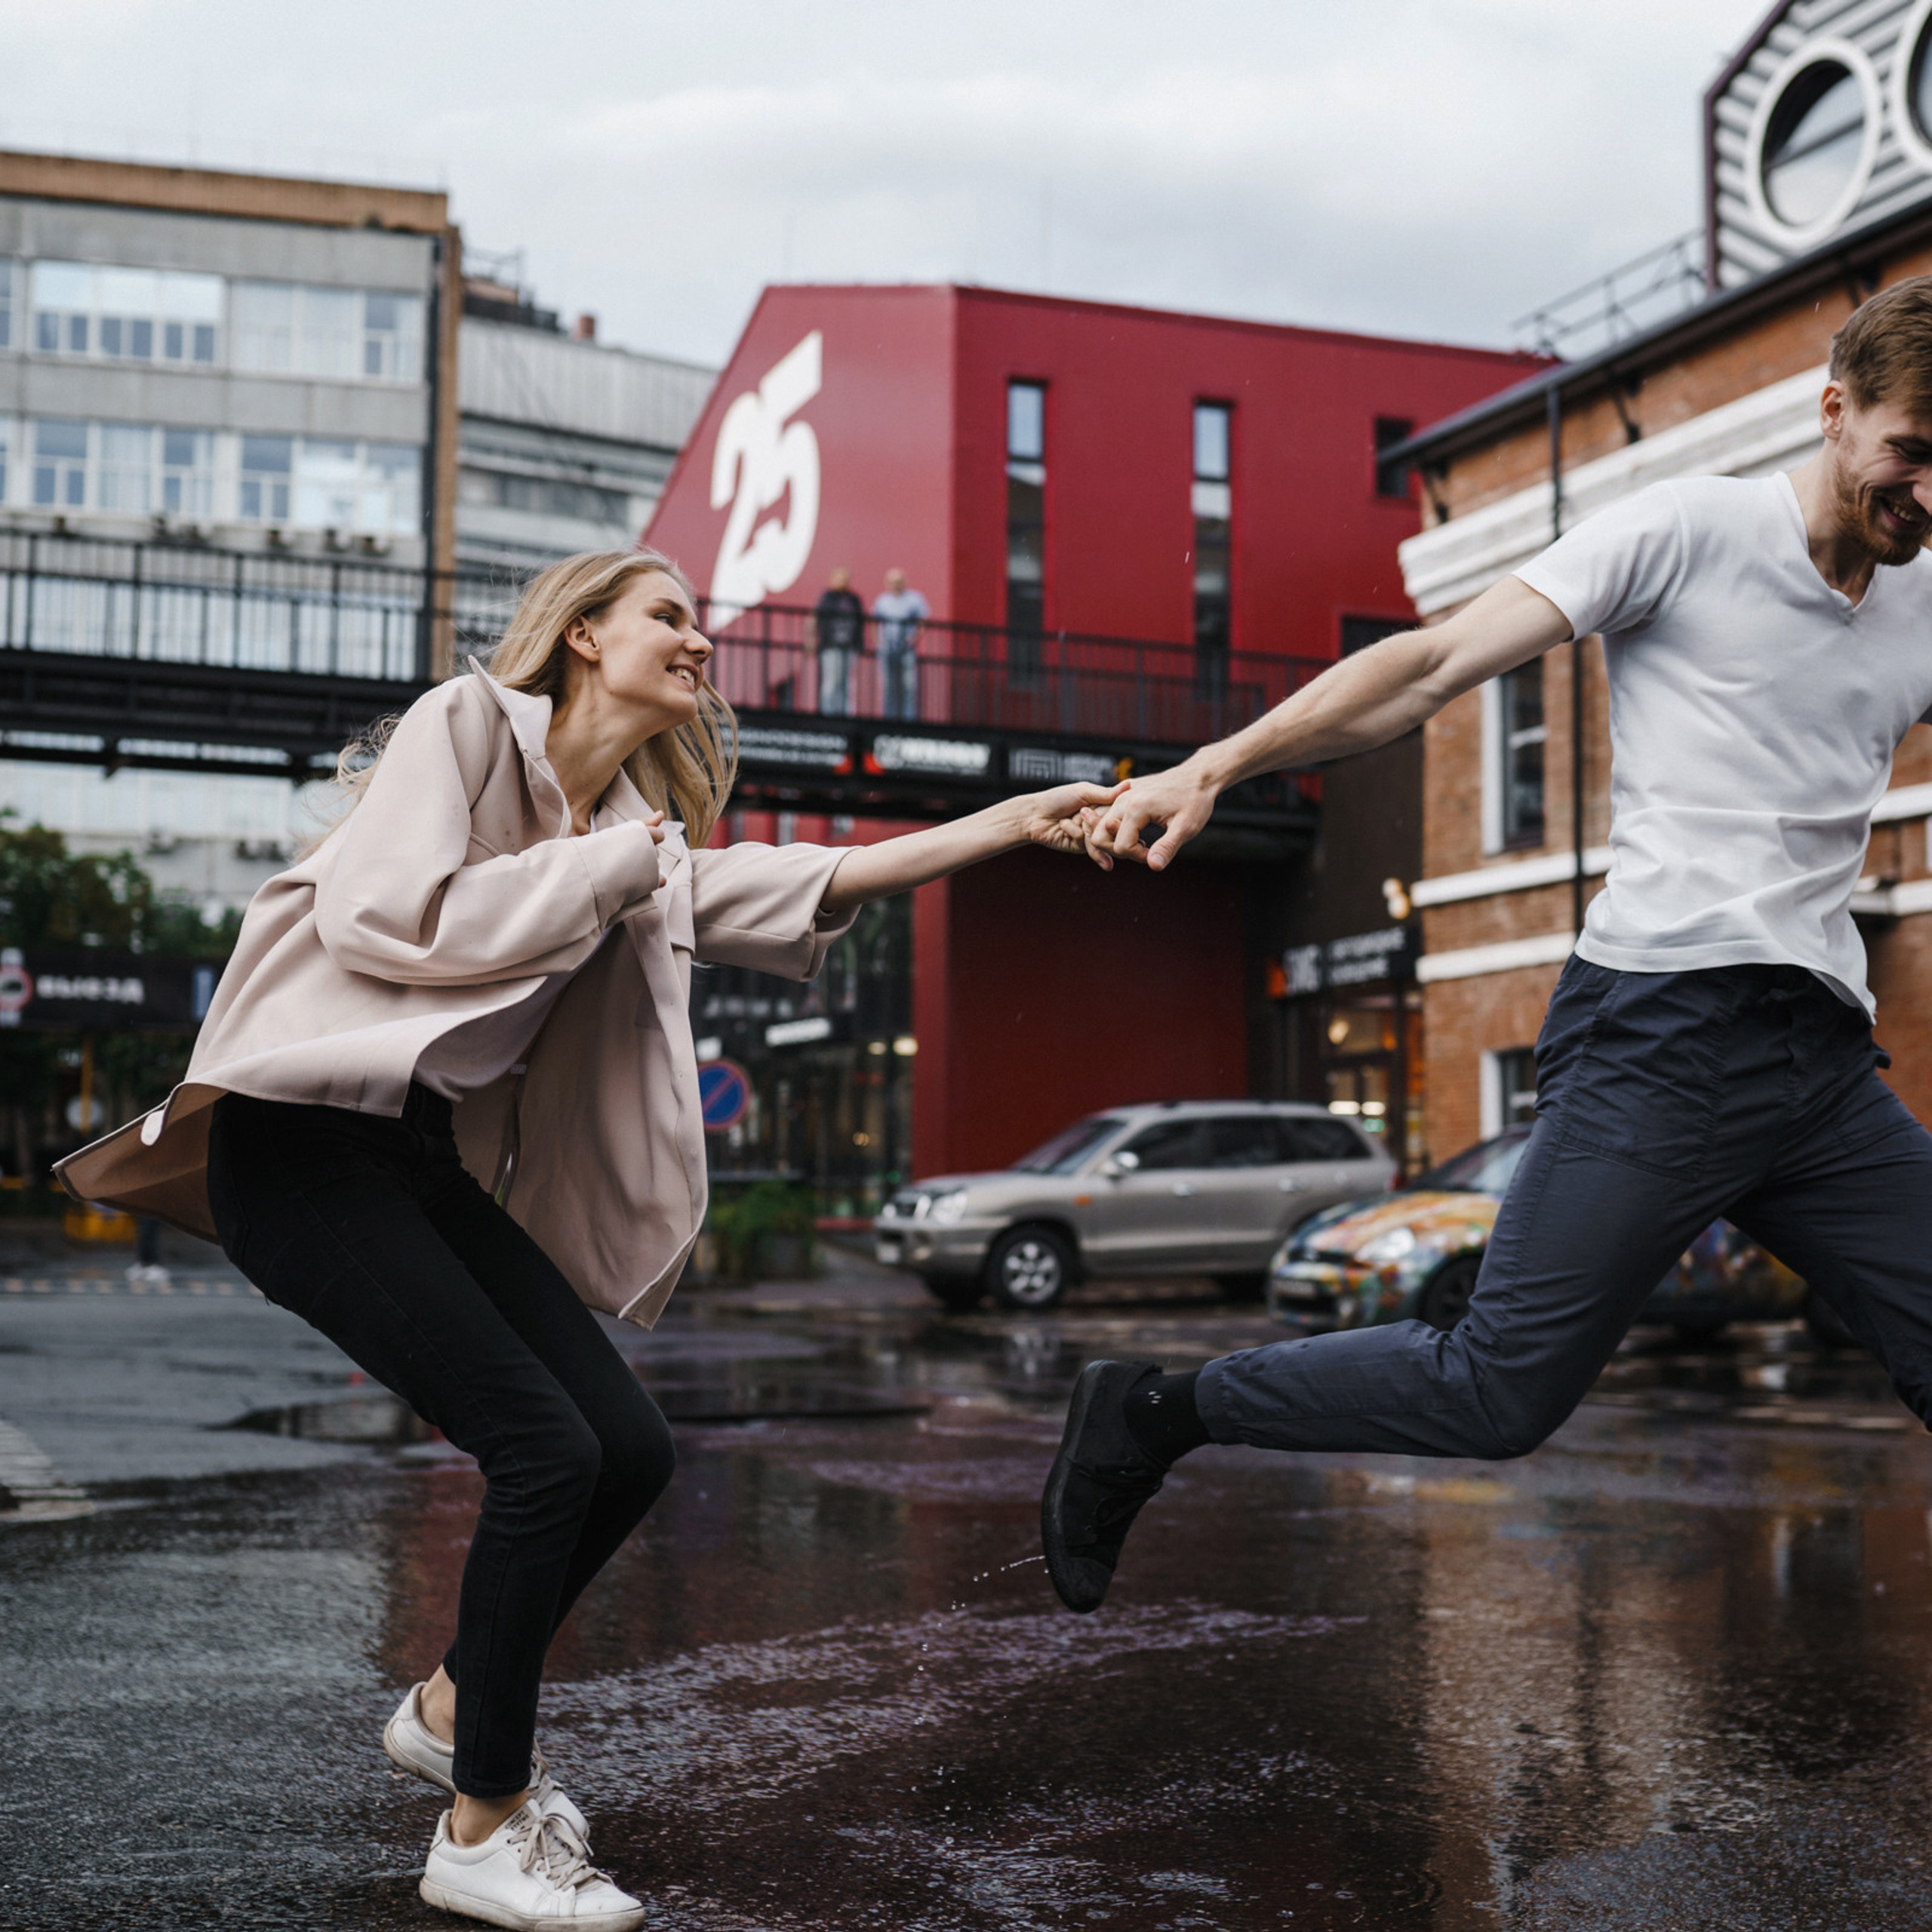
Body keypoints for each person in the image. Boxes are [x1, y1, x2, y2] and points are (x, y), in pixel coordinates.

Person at [56, 548, 1122, 1927]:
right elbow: (392, 919)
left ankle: (450, 1707)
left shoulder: (636, 843)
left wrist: (1012, 824)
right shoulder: (467, 730)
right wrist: (615, 865)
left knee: (627, 1446)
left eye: (699, 625)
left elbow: (812, 885)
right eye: (670, 618)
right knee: (542, 1448)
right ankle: (482, 1825)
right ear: (581, 637)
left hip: (413, 1157)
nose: (701, 645)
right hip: (297, 1137)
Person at [1043, 276, 1932, 1616]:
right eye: (1913, 451)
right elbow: (1430, 665)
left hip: (1817, 1062)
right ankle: (1155, 1412)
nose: (1929, 493)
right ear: (1833, 410)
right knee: (1496, 1390)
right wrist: (1218, 764)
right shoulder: (1690, 529)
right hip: (1665, 1030)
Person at [872, 567, 931, 721]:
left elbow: (922, 621)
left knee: (909, 686)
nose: (895, 585)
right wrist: (878, 643)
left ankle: (908, 720)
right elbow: (875, 623)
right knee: (888, 686)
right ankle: (888, 719)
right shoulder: (882, 601)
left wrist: (914, 639)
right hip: (887, 648)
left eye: (898, 582)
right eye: (892, 582)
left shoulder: (914, 599)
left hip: (907, 649)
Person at [813, 565, 865, 715]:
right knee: (831, 681)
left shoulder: (854, 599)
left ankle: (844, 713)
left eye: (845, 579)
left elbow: (860, 622)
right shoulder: (826, 597)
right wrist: (812, 640)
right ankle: (827, 713)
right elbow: (815, 618)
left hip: (849, 646)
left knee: (846, 682)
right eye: (840, 578)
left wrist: (859, 645)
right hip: (831, 645)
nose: (843, 582)